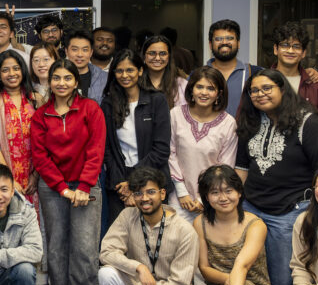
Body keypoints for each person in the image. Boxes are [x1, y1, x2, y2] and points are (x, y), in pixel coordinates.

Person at [235, 69, 318, 285]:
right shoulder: (253, 121)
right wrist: (236, 208)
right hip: (252, 207)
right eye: (254, 91)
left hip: (290, 210)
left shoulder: (309, 123)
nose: (260, 94)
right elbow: (242, 167)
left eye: (267, 88)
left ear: (284, 89)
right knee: (254, 269)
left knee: (282, 275)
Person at [32, 59, 106, 285]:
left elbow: (95, 150)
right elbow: (40, 157)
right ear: (50, 82)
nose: (61, 83)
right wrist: (63, 188)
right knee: (57, 250)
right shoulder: (41, 116)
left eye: (67, 78)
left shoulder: (90, 109)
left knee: (85, 253)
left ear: (76, 82)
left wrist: (84, 186)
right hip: (53, 189)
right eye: (56, 78)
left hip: (86, 187)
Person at [99, 166, 199, 285]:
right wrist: (138, 267)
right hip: (140, 283)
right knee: (106, 273)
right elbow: (106, 251)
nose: (144, 198)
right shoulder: (128, 216)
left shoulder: (184, 230)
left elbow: (179, 283)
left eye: (151, 192)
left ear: (162, 194)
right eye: (138, 193)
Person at [0, 50, 45, 285]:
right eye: (6, 69)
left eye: (16, 68)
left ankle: (34, 279)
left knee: (35, 229)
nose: (12, 74)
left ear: (23, 70)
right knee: (9, 231)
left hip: (34, 177)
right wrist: (10, 181)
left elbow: (44, 141)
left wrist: (35, 175)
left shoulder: (36, 100)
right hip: (6, 180)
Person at [101, 49, 171, 225]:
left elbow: (161, 150)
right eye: (119, 71)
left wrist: (133, 184)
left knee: (154, 238)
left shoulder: (157, 100)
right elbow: (107, 149)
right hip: (119, 183)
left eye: (130, 70)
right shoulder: (108, 103)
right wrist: (123, 185)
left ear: (140, 71)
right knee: (121, 239)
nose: (125, 75)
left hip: (151, 178)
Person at [168, 67, 237, 223]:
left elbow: (225, 166)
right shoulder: (175, 114)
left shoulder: (228, 123)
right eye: (199, 87)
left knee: (206, 245)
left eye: (210, 88)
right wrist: (182, 192)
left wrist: (202, 197)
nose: (204, 92)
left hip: (212, 198)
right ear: (191, 89)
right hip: (178, 197)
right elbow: (169, 153)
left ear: (219, 93)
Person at [270, 22, 318, 126]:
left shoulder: (316, 87)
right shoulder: (260, 82)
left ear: (303, 53)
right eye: (285, 45)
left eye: (296, 46)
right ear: (276, 49)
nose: (290, 50)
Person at [205, 19, 261, 116]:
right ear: (210, 44)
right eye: (218, 39)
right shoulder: (197, 76)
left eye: (230, 38)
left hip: (245, 131)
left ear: (238, 43)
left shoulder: (256, 73)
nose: (224, 42)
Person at [141, 35, 187, 109]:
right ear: (144, 56)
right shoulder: (135, 83)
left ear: (169, 57)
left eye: (163, 53)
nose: (157, 58)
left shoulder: (181, 84)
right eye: (152, 53)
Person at [65, 29, 108, 103]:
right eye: (75, 49)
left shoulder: (104, 78)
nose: (80, 54)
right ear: (66, 51)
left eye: (85, 50)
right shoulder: (57, 76)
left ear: (91, 52)